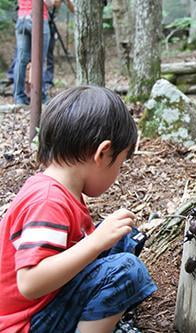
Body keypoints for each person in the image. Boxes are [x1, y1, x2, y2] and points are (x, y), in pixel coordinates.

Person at [0, 86, 157, 333]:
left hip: (44, 306)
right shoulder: (48, 201)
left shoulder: (58, 190)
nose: (119, 173)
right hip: (27, 323)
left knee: (122, 238)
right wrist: (95, 242)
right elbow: (30, 282)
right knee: (126, 270)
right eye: (120, 163)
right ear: (103, 153)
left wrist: (101, 240)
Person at [13, 0, 53, 105]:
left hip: (22, 18)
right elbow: (50, 3)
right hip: (38, 18)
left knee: (21, 60)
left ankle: (19, 96)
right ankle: (40, 95)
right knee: (39, 59)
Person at [45, 0, 75, 87]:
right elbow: (54, 3)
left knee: (49, 53)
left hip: (50, 24)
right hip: (37, 21)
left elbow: (72, 8)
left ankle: (48, 80)